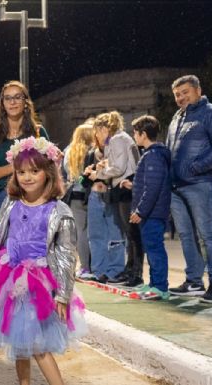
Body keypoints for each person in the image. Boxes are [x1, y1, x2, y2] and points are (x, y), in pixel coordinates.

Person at [0, 136, 86, 385]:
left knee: (38, 345)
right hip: (8, 277)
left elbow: (64, 255)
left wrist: (62, 293)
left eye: (34, 171)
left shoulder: (58, 211)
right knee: (20, 343)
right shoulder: (11, 203)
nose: (27, 177)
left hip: (39, 283)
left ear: (48, 173)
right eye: (21, 172)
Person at [167, 75, 212, 303]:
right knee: (186, 235)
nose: (181, 97)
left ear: (197, 90)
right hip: (176, 187)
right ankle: (194, 282)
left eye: (185, 92)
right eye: (177, 95)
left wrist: (197, 168)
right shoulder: (177, 117)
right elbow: (170, 149)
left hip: (200, 184)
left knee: (208, 235)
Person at [0, 81, 49, 237]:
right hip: (3, 196)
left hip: (35, 197)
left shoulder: (38, 132)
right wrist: (18, 166)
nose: (12, 102)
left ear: (25, 102)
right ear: (3, 104)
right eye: (7, 98)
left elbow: (48, 168)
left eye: (17, 97)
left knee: (33, 256)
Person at [88, 112, 140, 285]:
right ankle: (131, 270)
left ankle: (134, 272)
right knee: (130, 232)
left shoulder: (117, 139)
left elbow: (118, 168)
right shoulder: (119, 138)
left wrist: (99, 173)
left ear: (104, 128)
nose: (96, 135)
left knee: (131, 233)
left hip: (126, 188)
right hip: (125, 186)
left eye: (97, 131)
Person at [122, 115, 171, 300]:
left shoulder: (153, 155)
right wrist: (133, 186)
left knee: (155, 249)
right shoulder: (152, 155)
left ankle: (160, 287)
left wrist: (140, 211)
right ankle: (153, 284)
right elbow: (148, 184)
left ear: (143, 134)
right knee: (151, 249)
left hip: (152, 213)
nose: (134, 136)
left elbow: (153, 188)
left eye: (135, 132)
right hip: (151, 212)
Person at [83, 119, 124, 284]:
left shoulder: (116, 149)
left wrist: (103, 170)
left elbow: (120, 172)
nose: (100, 135)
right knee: (95, 236)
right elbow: (83, 181)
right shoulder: (91, 153)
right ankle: (99, 270)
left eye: (103, 130)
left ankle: (115, 270)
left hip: (111, 196)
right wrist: (86, 173)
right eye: (98, 131)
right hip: (94, 196)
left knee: (115, 235)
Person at [62, 119, 94, 279]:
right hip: (92, 194)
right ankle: (92, 265)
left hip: (74, 196)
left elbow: (68, 173)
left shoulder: (70, 151)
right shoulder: (92, 152)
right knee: (92, 232)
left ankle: (85, 267)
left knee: (80, 232)